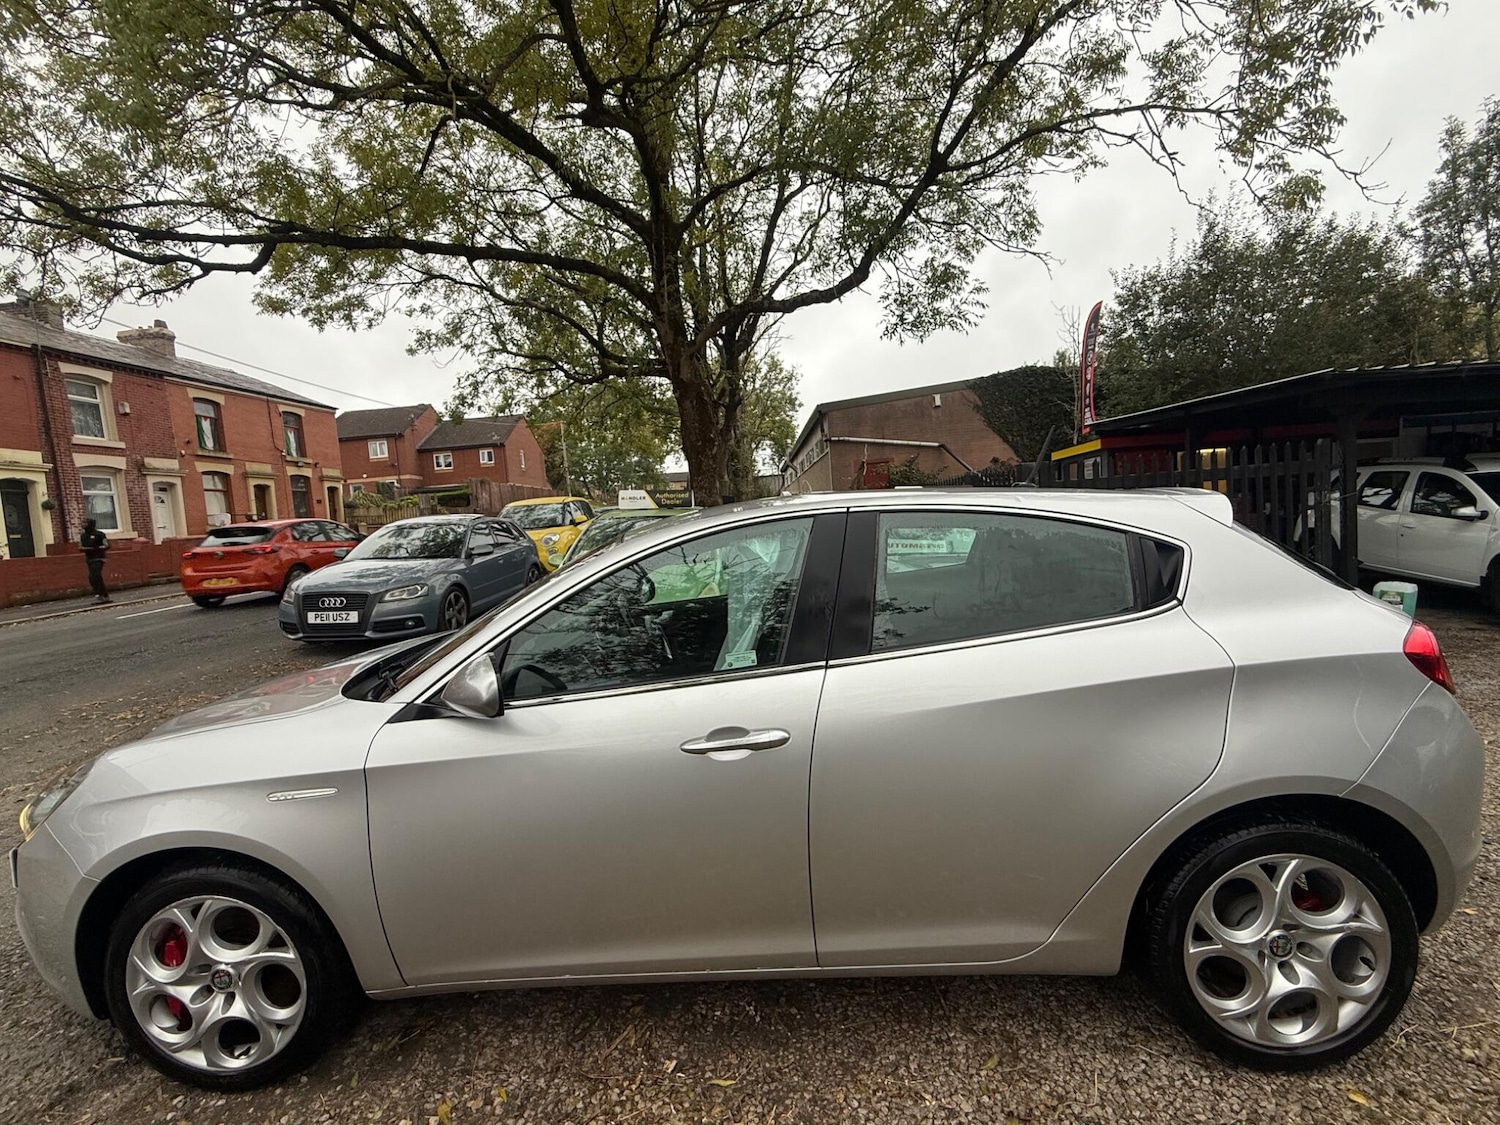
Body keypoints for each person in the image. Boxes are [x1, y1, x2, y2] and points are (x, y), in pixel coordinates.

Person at [80, 517, 111, 603]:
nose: (82, 524)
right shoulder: (83, 535)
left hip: (99, 558)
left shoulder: (99, 534)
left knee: (95, 576)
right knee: (92, 578)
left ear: (90, 524)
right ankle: (100, 594)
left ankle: (103, 595)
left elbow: (106, 545)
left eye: (85, 523)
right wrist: (88, 549)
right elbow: (80, 547)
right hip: (90, 558)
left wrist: (97, 548)